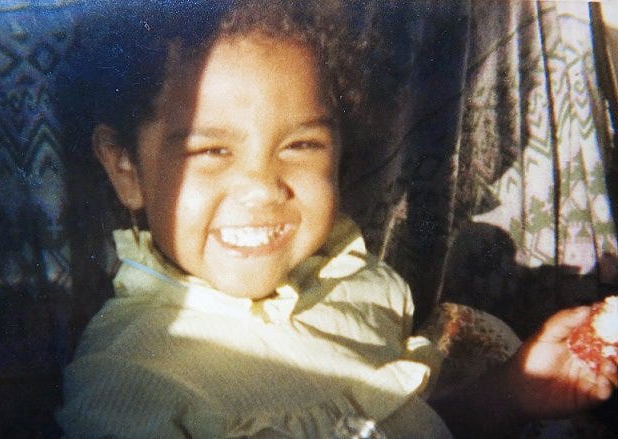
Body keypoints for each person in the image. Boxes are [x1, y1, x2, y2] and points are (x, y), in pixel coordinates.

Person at [56, 1, 617, 437]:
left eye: (300, 144)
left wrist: (516, 390)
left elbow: (402, 426)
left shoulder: (361, 287)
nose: (263, 187)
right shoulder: (129, 381)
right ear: (125, 167)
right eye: (211, 151)